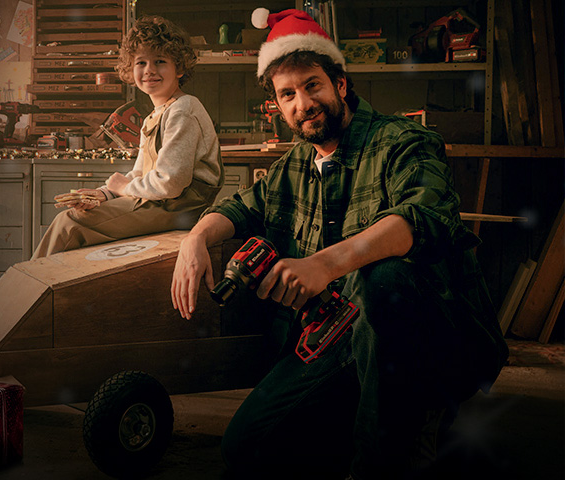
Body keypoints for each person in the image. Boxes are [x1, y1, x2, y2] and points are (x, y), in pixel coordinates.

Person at [169, 9, 508, 480]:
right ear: (277, 105)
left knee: (385, 278)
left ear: (340, 84)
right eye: (287, 95)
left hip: (429, 333)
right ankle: (366, 420)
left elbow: (423, 217)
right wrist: (196, 238)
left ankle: (401, 441)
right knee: (246, 448)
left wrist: (324, 264)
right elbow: (243, 207)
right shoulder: (294, 166)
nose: (302, 104)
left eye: (312, 86)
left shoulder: (403, 141)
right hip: (339, 336)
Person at [31, 16, 222, 259]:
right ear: (130, 70)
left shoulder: (183, 109)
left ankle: (21, 296)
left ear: (180, 68)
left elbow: (171, 183)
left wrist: (123, 187)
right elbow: (140, 174)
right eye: (141, 62)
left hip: (182, 208)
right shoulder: (155, 115)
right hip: (163, 203)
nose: (149, 70)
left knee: (70, 222)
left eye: (160, 61)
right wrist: (105, 194)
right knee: (74, 217)